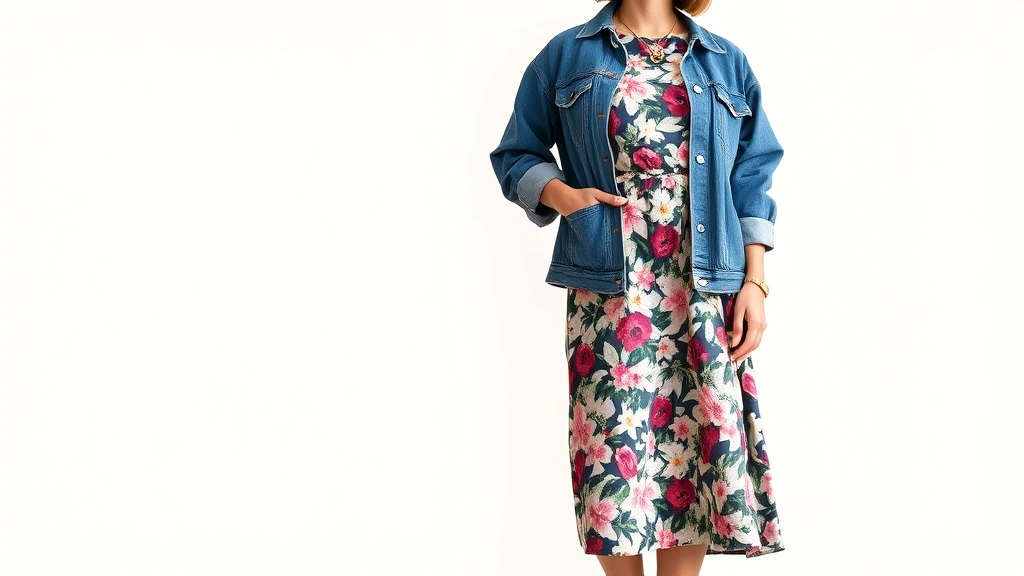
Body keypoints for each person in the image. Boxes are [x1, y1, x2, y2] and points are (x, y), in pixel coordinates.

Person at [488, 0, 785, 574]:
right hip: (610, 291)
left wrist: (756, 283)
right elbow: (515, 154)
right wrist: (564, 196)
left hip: (702, 292)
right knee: (611, 462)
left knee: (696, 458)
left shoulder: (725, 62)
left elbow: (752, 176)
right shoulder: (569, 54)